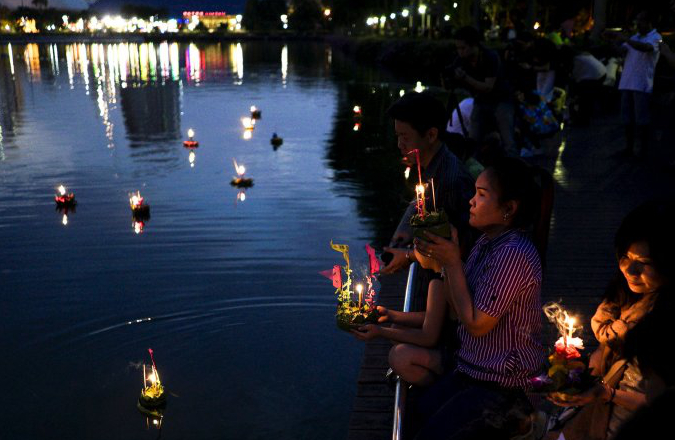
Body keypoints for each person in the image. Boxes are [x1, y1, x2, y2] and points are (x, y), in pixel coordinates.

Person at [410, 157, 546, 439]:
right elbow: (455, 310)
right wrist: (443, 262)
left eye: (481, 195)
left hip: (506, 387)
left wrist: (453, 261)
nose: (471, 201)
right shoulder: (486, 242)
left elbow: (476, 324)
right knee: (416, 412)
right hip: (472, 371)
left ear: (509, 209)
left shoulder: (514, 254)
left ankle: (527, 426)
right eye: (474, 192)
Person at [547, 200, 675, 440]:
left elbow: (661, 405)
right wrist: (570, 377)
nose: (630, 270)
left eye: (645, 263)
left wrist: (604, 393)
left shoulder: (664, 321)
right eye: (626, 256)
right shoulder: (627, 298)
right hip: (597, 414)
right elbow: (604, 356)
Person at [381, 92, 475, 274]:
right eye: (398, 136)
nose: (400, 144)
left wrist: (408, 255)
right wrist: (406, 228)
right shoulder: (434, 164)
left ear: (431, 135)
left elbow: (460, 248)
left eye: (405, 137)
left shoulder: (450, 181)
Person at [351, 240, 458, 387]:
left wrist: (380, 331)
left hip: (456, 353)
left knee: (399, 357)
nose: (412, 253)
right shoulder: (439, 273)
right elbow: (434, 317)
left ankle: (439, 385)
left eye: (418, 248)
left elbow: (429, 338)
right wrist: (390, 315)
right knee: (397, 327)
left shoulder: (438, 281)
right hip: (450, 339)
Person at [449, 26, 518, 158]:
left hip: (501, 100)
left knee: (508, 139)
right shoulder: (461, 60)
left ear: (474, 45)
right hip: (480, 101)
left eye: (463, 48)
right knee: (473, 140)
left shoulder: (490, 57)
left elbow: (488, 87)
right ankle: (473, 170)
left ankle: (512, 169)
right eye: (458, 48)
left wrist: (465, 78)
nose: (460, 52)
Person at [604, 11, 661, 158]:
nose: (638, 25)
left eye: (640, 21)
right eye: (637, 22)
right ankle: (629, 149)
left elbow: (646, 48)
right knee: (627, 119)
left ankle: (642, 151)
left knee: (642, 120)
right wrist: (610, 40)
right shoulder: (635, 37)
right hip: (627, 82)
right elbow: (621, 51)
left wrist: (626, 39)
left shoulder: (655, 37)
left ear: (649, 22)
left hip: (642, 83)